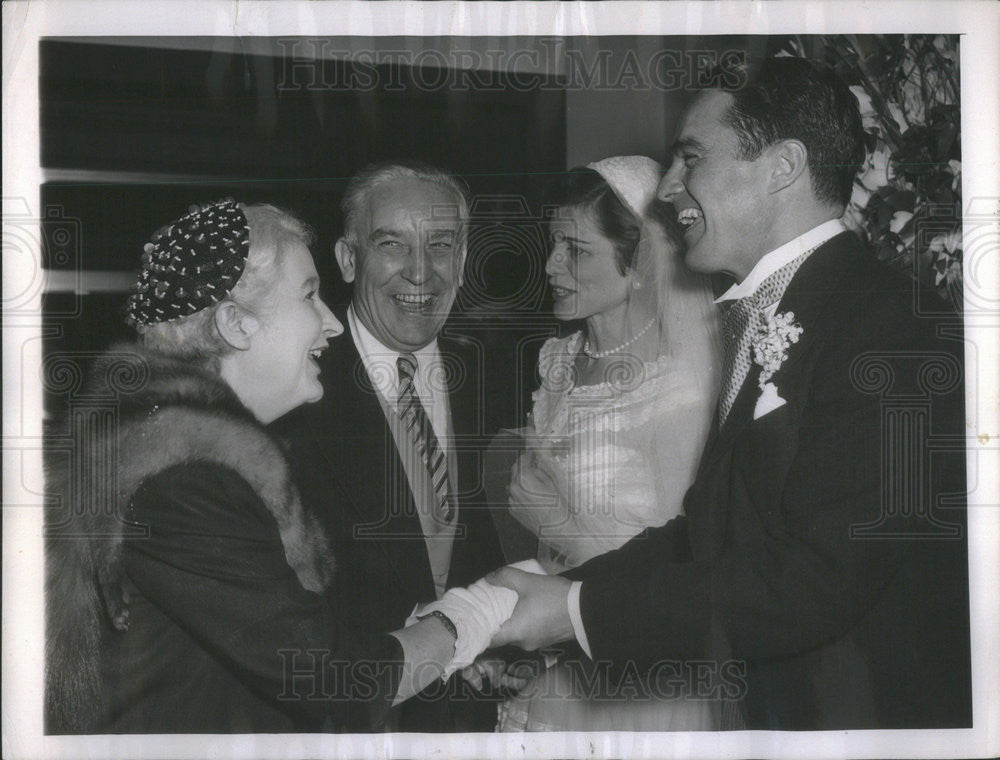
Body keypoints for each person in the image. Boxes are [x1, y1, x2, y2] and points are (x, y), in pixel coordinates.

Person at [485, 57, 971, 730]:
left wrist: (573, 611)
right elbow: (708, 535)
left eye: (691, 159)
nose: (668, 189)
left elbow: (819, 580)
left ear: (781, 166)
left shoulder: (893, 326)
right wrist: (563, 592)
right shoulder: (766, 315)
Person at [44, 200, 510, 734]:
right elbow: (333, 682)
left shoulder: (189, 459)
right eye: (310, 295)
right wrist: (469, 619)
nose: (333, 324)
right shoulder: (184, 483)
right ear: (236, 324)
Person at [272, 162, 506, 732]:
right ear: (349, 260)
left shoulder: (495, 375)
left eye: (441, 245)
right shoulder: (288, 394)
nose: (421, 272)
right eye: (393, 245)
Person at [492, 156, 720, 730]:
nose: (549, 267)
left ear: (640, 263)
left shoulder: (677, 391)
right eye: (552, 245)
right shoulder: (560, 360)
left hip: (635, 683)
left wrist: (553, 522)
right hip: (554, 663)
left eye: (576, 251)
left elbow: (682, 575)